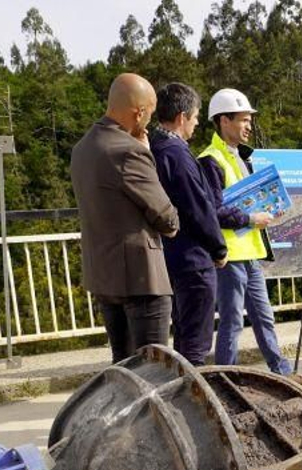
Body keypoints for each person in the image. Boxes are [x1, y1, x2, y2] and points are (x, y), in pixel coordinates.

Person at [198, 88, 302, 386]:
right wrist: (251, 218)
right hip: (229, 255)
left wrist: (269, 209)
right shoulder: (210, 160)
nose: (249, 126)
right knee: (232, 321)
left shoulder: (241, 156)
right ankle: (226, 381)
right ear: (223, 121)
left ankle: (283, 374)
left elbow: (245, 201)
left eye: (249, 120)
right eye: (243, 120)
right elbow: (213, 210)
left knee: (264, 316)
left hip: (251, 252)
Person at [69, 73, 178, 363]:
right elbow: (167, 218)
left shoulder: (82, 149)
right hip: (141, 278)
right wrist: (146, 153)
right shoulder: (129, 151)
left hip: (104, 275)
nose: (150, 121)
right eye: (150, 112)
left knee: (123, 365)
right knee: (154, 368)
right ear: (139, 112)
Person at [148, 82, 228, 367]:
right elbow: (198, 207)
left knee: (182, 333)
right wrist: (218, 248)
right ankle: (192, 391)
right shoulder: (176, 153)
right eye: (194, 118)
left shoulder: (153, 147)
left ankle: (180, 386)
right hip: (193, 258)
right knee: (196, 341)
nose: (196, 124)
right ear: (182, 117)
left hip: (170, 256)